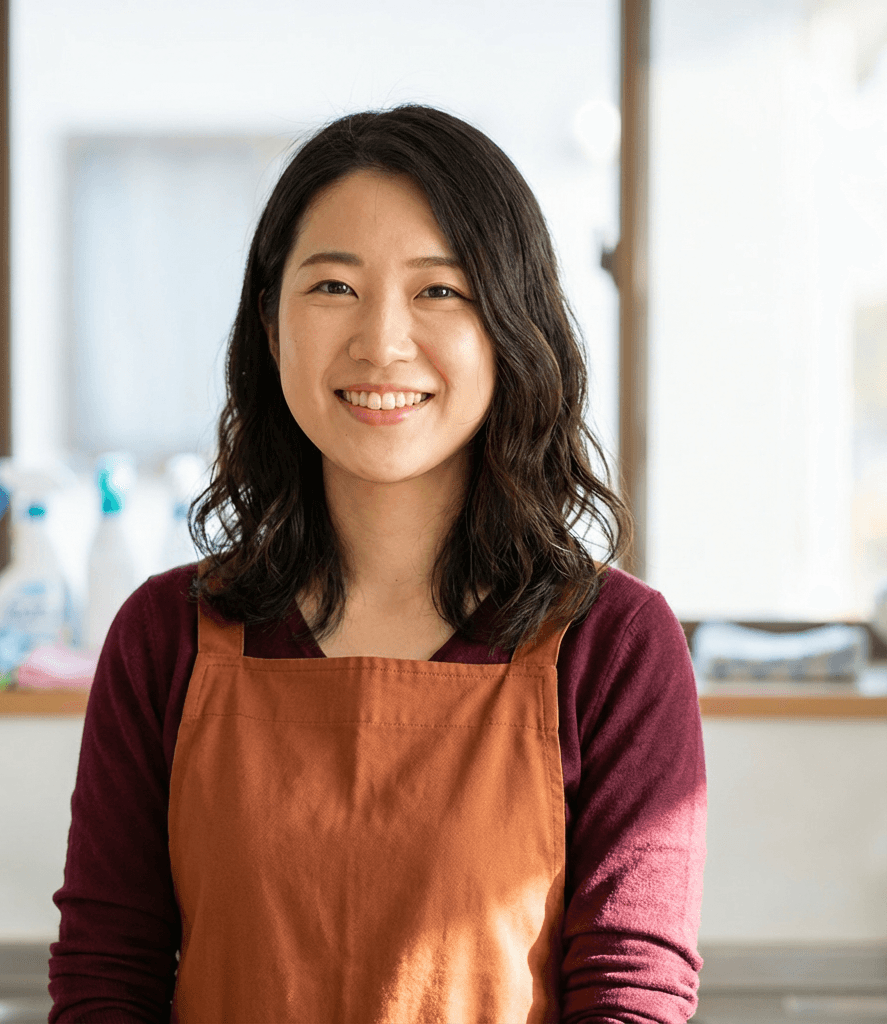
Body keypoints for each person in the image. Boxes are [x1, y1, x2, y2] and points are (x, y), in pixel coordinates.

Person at [48, 105, 705, 1024]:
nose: (382, 342)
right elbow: (105, 982)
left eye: (439, 291)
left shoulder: (615, 646)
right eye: (332, 288)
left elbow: (632, 997)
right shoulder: (165, 638)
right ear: (271, 328)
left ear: (512, 328)